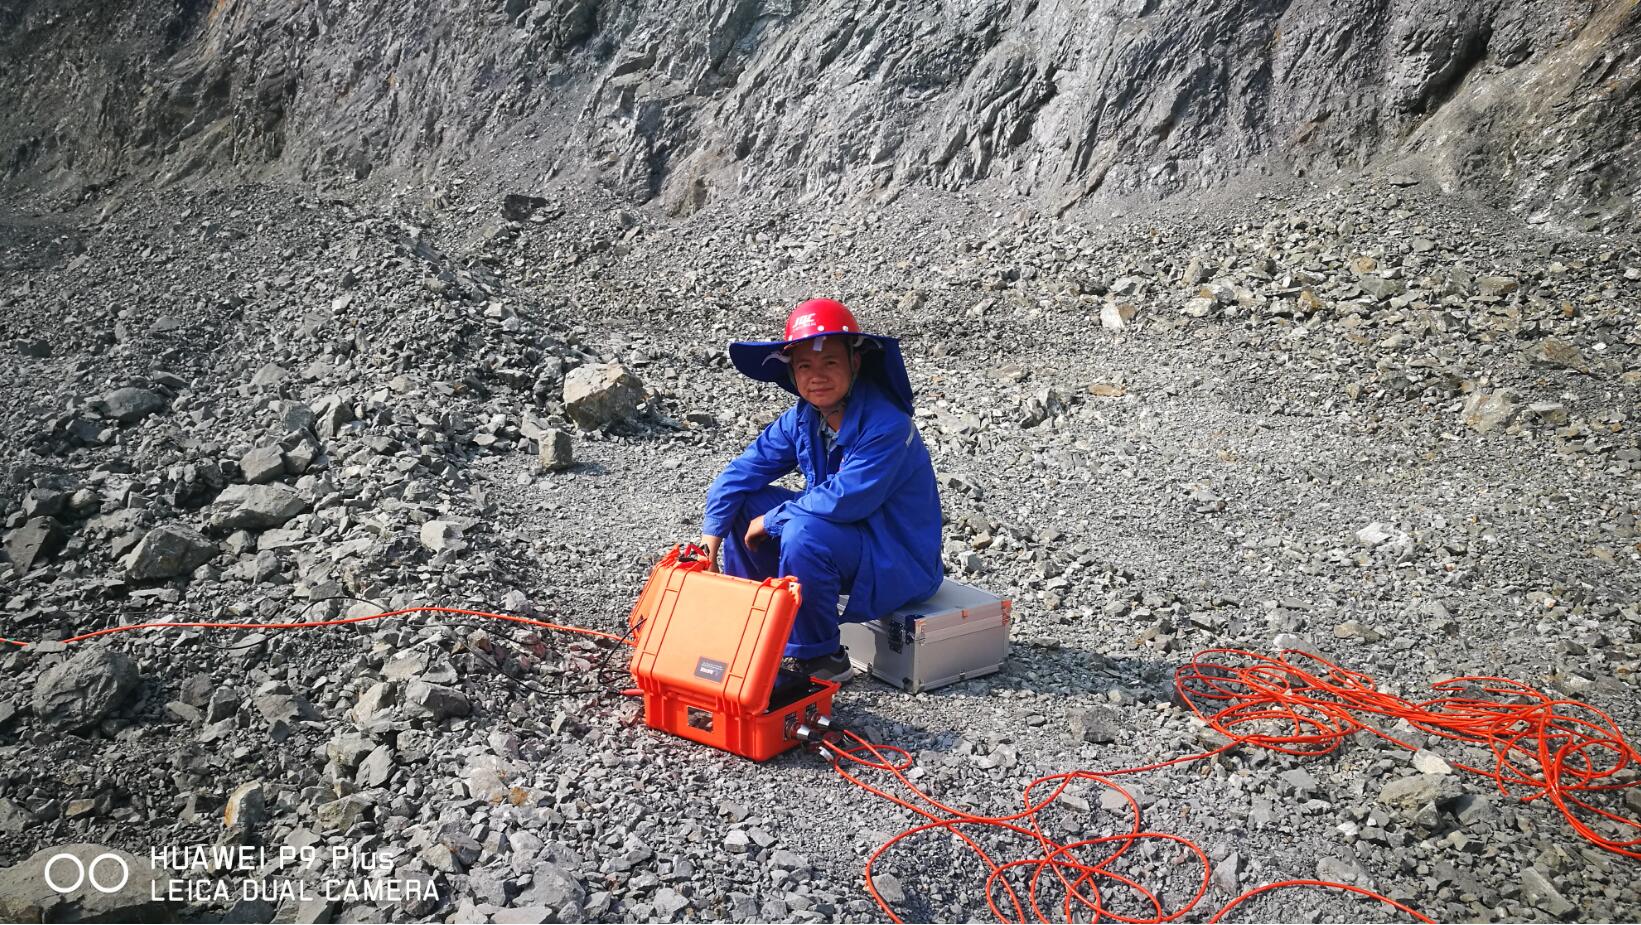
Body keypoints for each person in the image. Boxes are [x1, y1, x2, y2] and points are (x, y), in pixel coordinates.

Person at [699, 298, 943, 683]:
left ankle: (822, 657)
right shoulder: (805, 417)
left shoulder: (887, 425)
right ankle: (757, 632)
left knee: (801, 532)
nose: (817, 376)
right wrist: (708, 544)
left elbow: (847, 499)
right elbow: (741, 472)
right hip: (842, 539)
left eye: (830, 362)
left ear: (855, 363)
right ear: (792, 372)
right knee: (745, 505)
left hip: (895, 558)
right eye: (805, 366)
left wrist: (772, 519)